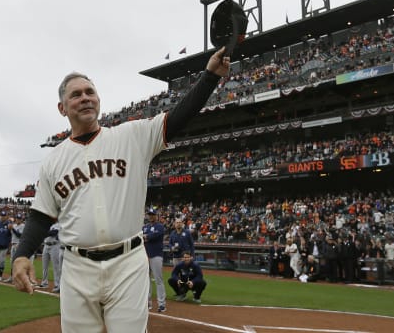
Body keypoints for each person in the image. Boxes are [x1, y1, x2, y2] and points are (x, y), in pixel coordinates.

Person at [12, 47, 231, 333]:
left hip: (127, 264)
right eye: (76, 95)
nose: (85, 98)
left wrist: (210, 76)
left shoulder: (132, 136)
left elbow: (179, 117)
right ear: (62, 108)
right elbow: (41, 216)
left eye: (90, 92)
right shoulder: (54, 160)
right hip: (77, 268)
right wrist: (22, 254)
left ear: (99, 100)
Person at [143, 208, 166, 312]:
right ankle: (148, 303)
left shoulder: (160, 226)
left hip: (156, 255)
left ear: (156, 216)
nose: (151, 216)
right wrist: (146, 237)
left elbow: (153, 236)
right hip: (145, 256)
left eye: (153, 214)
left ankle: (162, 304)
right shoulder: (145, 227)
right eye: (150, 214)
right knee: (146, 281)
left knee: (158, 280)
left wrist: (146, 236)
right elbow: (142, 238)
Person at [38, 222, 62, 293]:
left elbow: (55, 232)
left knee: (56, 266)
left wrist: (44, 232)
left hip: (55, 245)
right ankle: (44, 283)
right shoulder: (47, 223)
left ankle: (57, 285)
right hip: (46, 245)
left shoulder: (59, 224)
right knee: (44, 266)